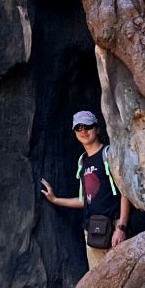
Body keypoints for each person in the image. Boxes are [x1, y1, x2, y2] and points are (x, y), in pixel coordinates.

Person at [39, 110, 131, 269]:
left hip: (114, 229)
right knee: (97, 282)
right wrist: (55, 199)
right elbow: (85, 200)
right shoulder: (83, 161)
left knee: (120, 281)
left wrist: (121, 227)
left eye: (87, 126)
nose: (83, 131)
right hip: (92, 231)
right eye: (78, 128)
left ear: (97, 128)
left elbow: (126, 192)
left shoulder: (108, 154)